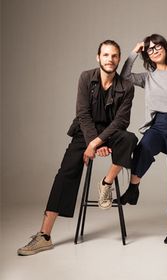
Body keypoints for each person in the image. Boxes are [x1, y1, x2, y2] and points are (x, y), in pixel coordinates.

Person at [17, 40, 138, 256]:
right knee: (65, 174)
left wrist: (96, 143)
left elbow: (121, 121)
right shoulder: (86, 78)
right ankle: (44, 235)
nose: (110, 59)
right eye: (106, 55)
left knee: (130, 139)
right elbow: (83, 114)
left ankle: (106, 183)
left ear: (119, 59)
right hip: (85, 131)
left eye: (115, 56)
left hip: (110, 133)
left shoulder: (126, 87)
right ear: (98, 57)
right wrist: (92, 141)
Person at [117, 34, 167, 244]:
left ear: (165, 48)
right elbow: (124, 76)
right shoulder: (148, 77)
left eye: (157, 46)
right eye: (150, 49)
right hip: (157, 125)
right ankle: (133, 188)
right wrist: (134, 51)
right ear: (147, 55)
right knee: (143, 148)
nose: (154, 51)